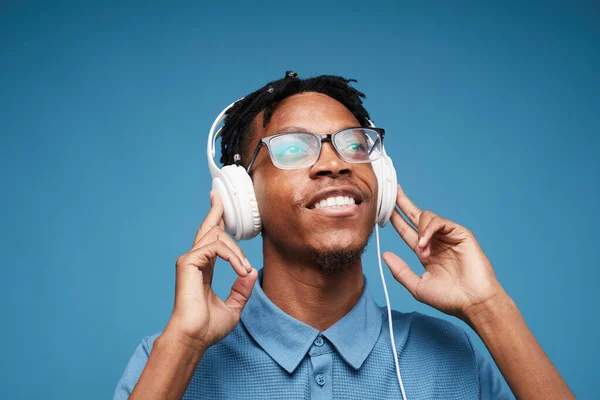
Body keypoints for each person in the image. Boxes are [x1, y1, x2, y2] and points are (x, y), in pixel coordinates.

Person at [114, 72, 574, 399]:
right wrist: (185, 347)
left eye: (355, 144)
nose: (336, 163)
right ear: (242, 199)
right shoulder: (168, 358)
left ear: (381, 180)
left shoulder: (454, 356)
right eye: (294, 148)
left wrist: (489, 309)